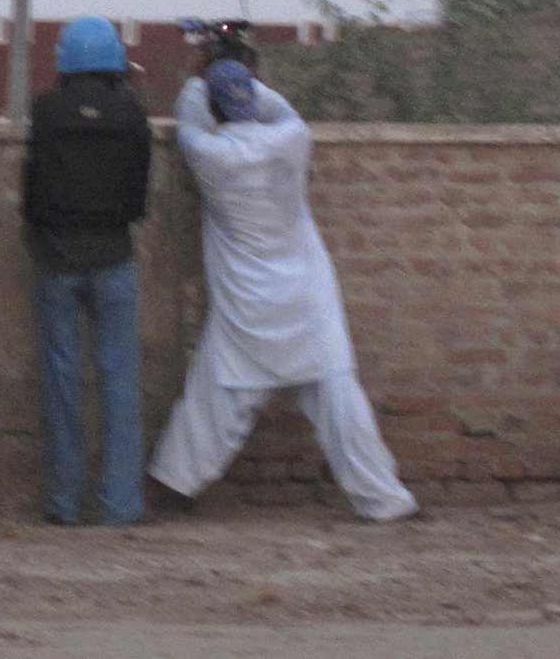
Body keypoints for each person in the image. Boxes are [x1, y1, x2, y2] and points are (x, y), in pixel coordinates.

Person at [148, 60, 418, 521]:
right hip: (307, 294)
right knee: (339, 401)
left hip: (247, 300)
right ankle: (385, 500)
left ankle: (176, 482)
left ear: (215, 105)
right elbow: (281, 107)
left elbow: (189, 112)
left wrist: (200, 75)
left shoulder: (209, 154)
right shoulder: (292, 139)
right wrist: (242, 77)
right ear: (253, 98)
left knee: (216, 397)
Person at [24, 16, 154, 526]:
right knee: (119, 379)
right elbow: (140, 193)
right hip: (113, 256)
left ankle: (64, 502)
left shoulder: (47, 111)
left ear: (64, 61)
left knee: (61, 380)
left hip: (56, 258)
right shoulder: (131, 112)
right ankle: (121, 504)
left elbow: (32, 188)